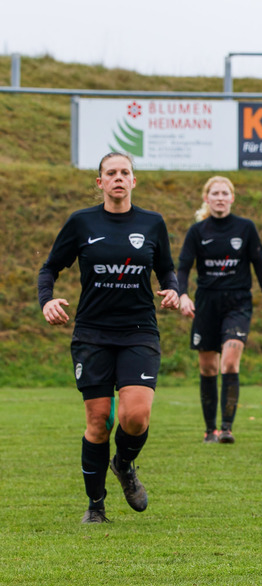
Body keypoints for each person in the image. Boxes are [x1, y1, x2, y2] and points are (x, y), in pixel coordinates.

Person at [38, 152, 179, 523]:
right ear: (100, 182)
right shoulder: (81, 222)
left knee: (136, 416)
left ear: (134, 181)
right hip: (92, 334)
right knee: (99, 421)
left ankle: (124, 464)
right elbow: (49, 268)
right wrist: (47, 300)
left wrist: (173, 290)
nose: (118, 177)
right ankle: (95, 506)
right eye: (111, 173)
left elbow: (167, 270)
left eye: (125, 172)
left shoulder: (152, 223)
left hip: (139, 331)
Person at [177, 176, 262, 444]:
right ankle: (209, 429)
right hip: (207, 303)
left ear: (232, 198)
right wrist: (183, 295)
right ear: (206, 198)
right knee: (208, 368)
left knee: (230, 361)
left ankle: (226, 429)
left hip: (238, 303)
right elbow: (183, 267)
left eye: (225, 193)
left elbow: (259, 266)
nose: (220, 198)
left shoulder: (246, 228)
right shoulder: (197, 231)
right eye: (215, 193)